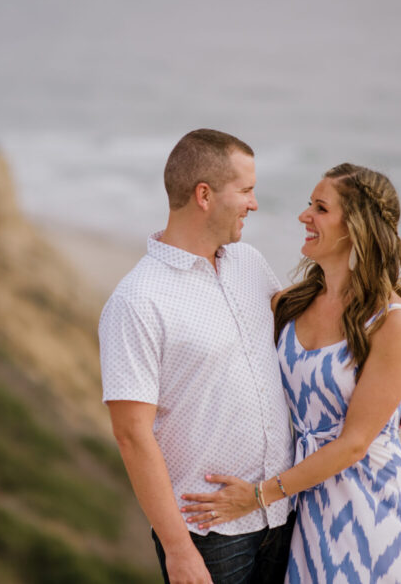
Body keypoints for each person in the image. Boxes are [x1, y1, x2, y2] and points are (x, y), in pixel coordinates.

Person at [181, 163, 401, 583]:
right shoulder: (290, 305)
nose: (304, 216)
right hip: (306, 508)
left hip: (371, 507)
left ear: (356, 228)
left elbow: (353, 444)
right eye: (308, 205)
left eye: (320, 208)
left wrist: (255, 498)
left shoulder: (391, 321)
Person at [99, 129, 297, 584]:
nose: (254, 203)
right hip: (211, 537)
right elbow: (131, 435)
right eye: (246, 190)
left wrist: (363, 378)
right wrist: (178, 551)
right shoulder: (137, 300)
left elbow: (306, 334)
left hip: (282, 512)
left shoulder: (248, 261)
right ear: (204, 195)